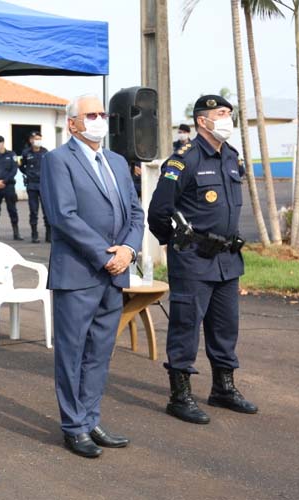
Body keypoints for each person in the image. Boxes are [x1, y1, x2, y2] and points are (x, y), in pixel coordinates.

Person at [40, 94, 144, 459]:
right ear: (72, 123)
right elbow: (64, 216)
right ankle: (73, 426)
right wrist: (105, 257)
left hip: (114, 273)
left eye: (103, 114)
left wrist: (129, 250)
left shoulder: (116, 161)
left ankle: (90, 417)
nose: (99, 119)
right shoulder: (57, 161)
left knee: (100, 352)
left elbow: (135, 212)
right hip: (79, 273)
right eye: (91, 114)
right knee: (72, 352)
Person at [147, 94, 257, 426]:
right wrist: (176, 243)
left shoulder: (231, 157)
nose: (228, 119)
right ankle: (180, 396)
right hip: (194, 259)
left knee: (225, 327)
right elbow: (158, 212)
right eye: (221, 113)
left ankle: (223, 388)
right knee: (185, 326)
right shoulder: (184, 160)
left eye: (229, 113)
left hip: (227, 259)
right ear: (202, 121)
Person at [0, 135, 22, 241]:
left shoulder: (11, 155)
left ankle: (16, 233)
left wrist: (4, 181)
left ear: (2, 143)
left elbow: (14, 170)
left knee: (12, 210)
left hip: (8, 186)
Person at [19, 131, 50, 243]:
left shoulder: (45, 152)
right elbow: (22, 167)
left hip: (44, 185)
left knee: (47, 211)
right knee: (33, 211)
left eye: (39, 138)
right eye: (35, 138)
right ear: (31, 140)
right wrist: (29, 174)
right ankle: (34, 234)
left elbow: (49, 167)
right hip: (32, 185)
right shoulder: (26, 153)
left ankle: (49, 235)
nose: (37, 140)